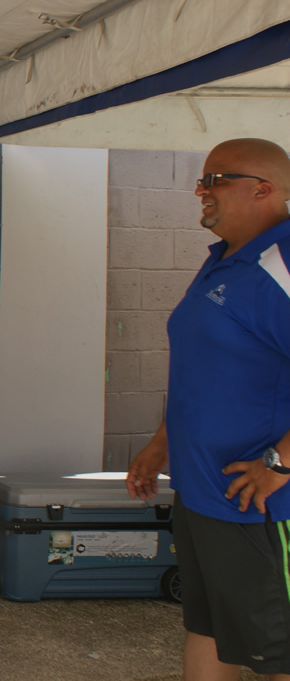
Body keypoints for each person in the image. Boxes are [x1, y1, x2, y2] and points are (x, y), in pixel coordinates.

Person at [126, 138, 290, 681]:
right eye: (202, 179)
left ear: (263, 189)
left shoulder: (281, 263)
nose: (201, 190)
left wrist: (280, 464)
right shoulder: (223, 260)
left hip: (262, 505)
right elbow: (203, 369)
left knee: (278, 651)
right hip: (204, 492)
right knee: (211, 628)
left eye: (215, 179)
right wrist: (161, 443)